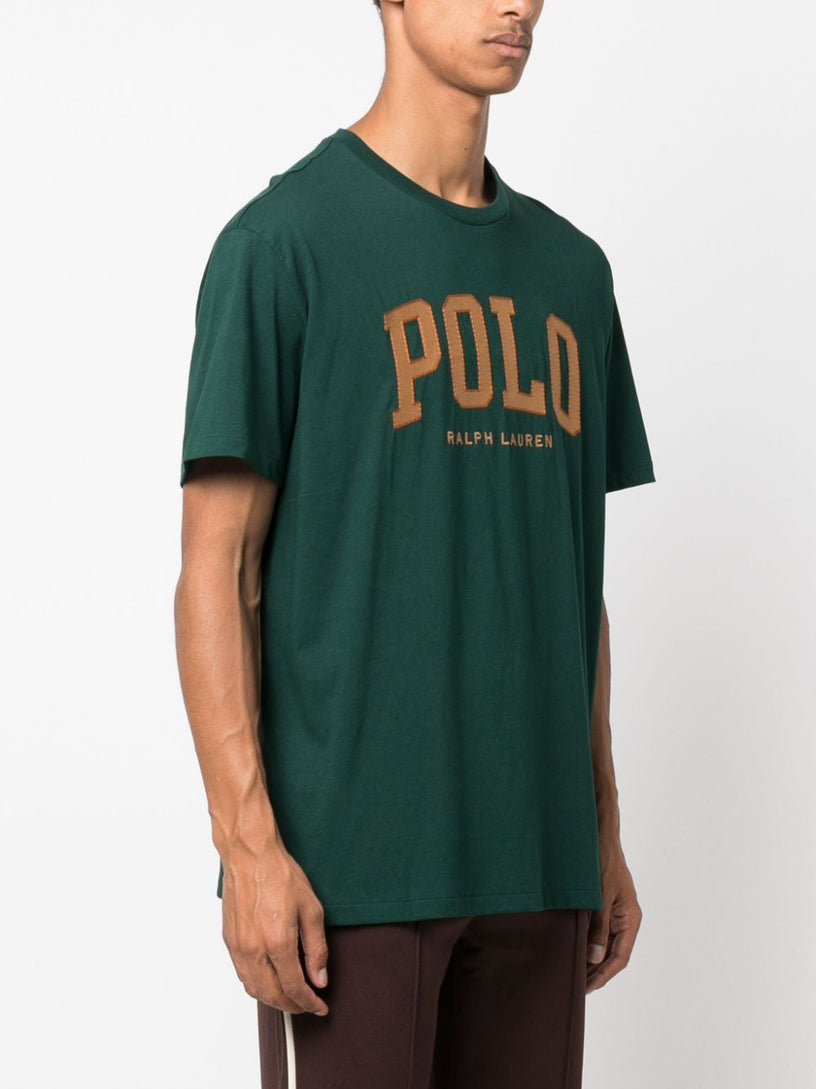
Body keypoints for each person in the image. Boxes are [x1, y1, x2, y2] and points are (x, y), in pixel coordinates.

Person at [174, 0, 656, 1086]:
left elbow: (572, 572)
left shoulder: (574, 273)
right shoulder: (284, 244)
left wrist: (601, 818)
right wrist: (248, 848)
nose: (519, 5)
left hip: (539, 861)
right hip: (350, 878)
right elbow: (217, 565)